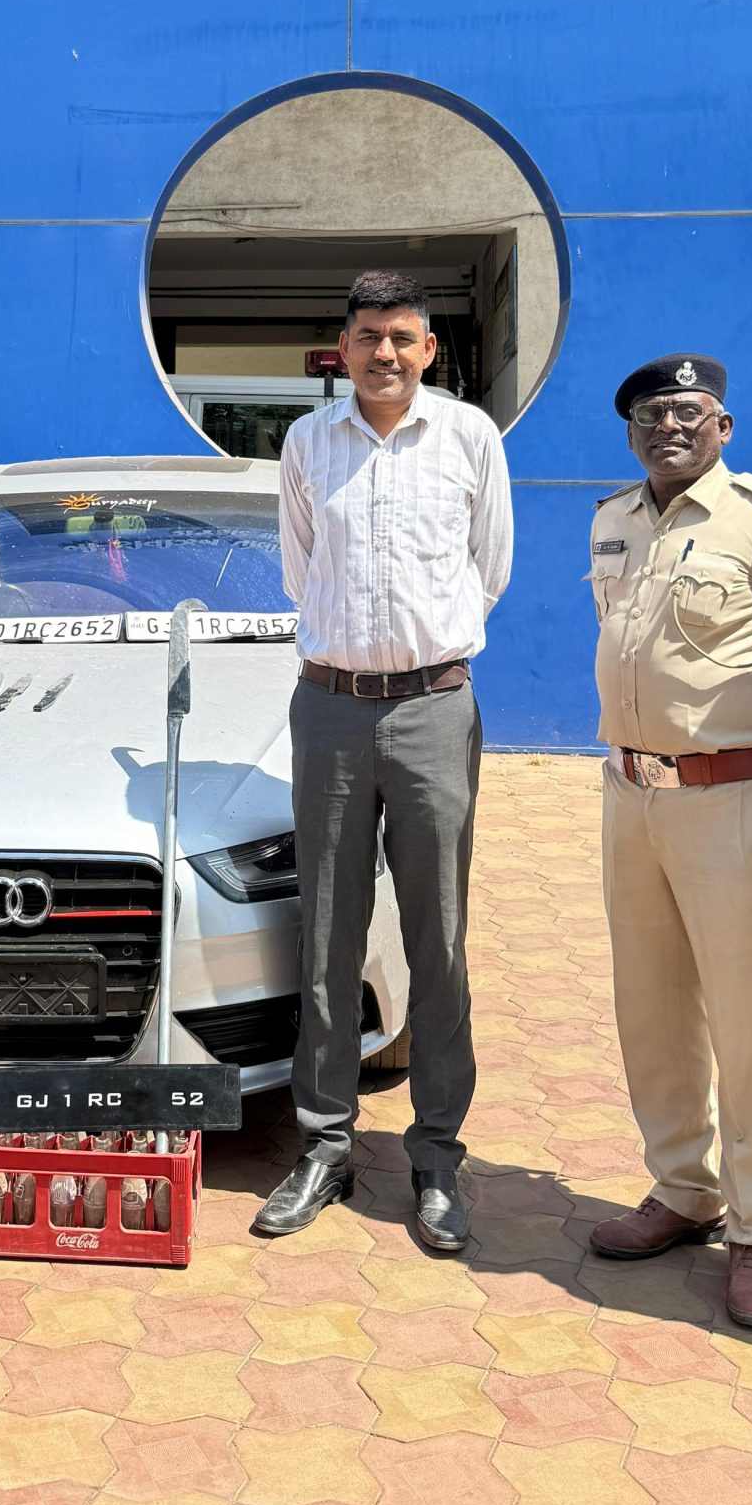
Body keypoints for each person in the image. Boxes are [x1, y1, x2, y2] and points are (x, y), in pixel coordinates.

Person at [253, 270, 513, 1252]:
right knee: (327, 932)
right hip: (329, 707)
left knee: (437, 937)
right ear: (344, 346)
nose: (386, 354)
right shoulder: (307, 443)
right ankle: (325, 1143)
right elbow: (301, 569)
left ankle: (436, 1153)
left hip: (435, 708)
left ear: (429, 348)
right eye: (368, 337)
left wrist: (418, 655)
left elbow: (490, 568)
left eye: (403, 337)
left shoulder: (469, 438)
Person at [583, 355, 752, 1328]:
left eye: (689, 412)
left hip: (727, 793)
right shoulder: (612, 518)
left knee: (742, 1014)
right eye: (651, 414)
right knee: (648, 1003)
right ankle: (682, 1188)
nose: (670, 428)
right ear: (631, 432)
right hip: (628, 790)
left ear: (723, 426)